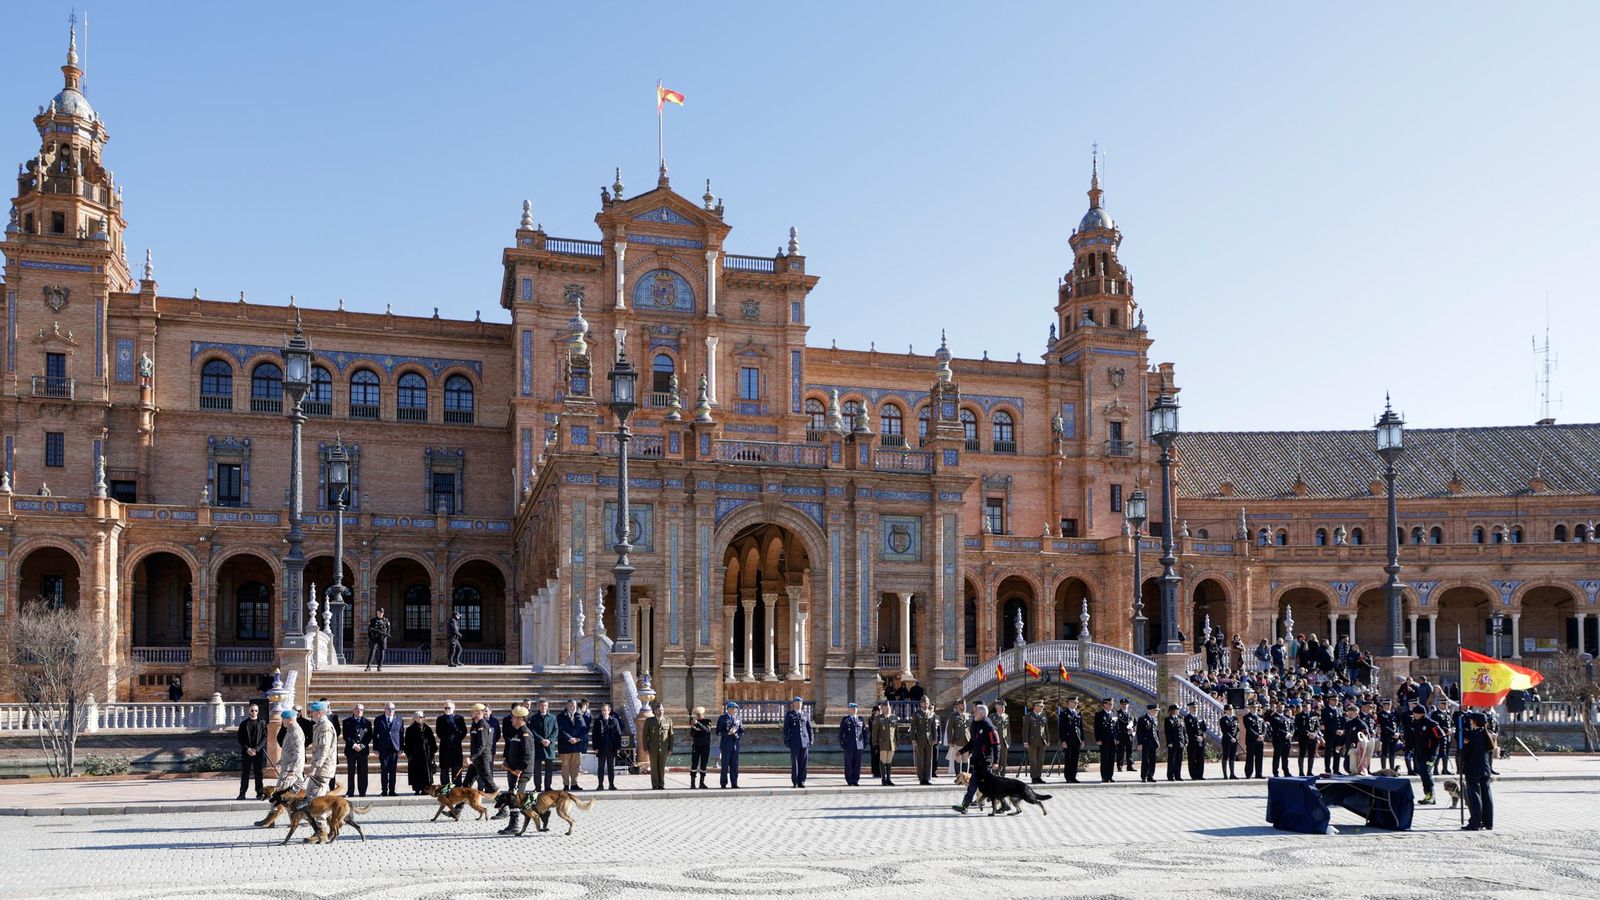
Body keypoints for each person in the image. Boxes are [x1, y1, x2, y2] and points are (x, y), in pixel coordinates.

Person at [294, 700, 339, 842]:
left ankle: (322, 833)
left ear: (319, 712)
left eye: (312, 711)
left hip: (322, 770)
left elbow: (324, 750)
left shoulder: (325, 726)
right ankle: (326, 828)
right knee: (315, 799)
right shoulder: (318, 725)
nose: (310, 713)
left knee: (315, 802)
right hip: (319, 769)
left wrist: (315, 767)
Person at [951, 703, 1001, 814]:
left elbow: (996, 744)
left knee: (979, 784)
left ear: (982, 714)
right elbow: (972, 742)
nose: (974, 713)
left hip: (985, 760)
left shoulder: (989, 726)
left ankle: (965, 806)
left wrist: (996, 761)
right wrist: (961, 751)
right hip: (978, 760)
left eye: (976, 712)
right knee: (977, 784)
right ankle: (965, 806)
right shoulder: (975, 724)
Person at [499, 706, 536, 837]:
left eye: (513, 717)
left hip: (521, 772)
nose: (511, 720)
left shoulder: (525, 733)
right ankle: (513, 824)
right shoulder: (517, 732)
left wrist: (519, 769)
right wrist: (507, 761)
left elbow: (527, 755)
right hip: (513, 770)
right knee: (513, 796)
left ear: (520, 719)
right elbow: (514, 751)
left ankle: (515, 825)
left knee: (515, 798)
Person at [1460, 711, 1494, 830]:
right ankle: (1488, 822)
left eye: (1471, 720)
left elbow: (1464, 753)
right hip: (1485, 769)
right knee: (1486, 795)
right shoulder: (1487, 735)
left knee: (1474, 795)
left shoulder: (1471, 736)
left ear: (1474, 722)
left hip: (1473, 768)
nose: (1470, 722)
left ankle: (1475, 822)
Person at [1406, 703, 1443, 805]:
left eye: (1415, 713)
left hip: (1430, 754)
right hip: (1420, 753)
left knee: (1426, 772)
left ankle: (1430, 796)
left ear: (1421, 713)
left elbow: (1441, 736)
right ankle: (1428, 795)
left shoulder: (1431, 723)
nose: (1414, 715)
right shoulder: (1416, 723)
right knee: (1422, 773)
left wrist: (1439, 751)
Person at [235, 703, 267, 800]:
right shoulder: (244, 723)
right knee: (245, 773)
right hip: (246, 752)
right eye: (252, 710)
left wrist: (256, 749)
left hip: (258, 752)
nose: (254, 712)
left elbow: (264, 737)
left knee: (258, 773)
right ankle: (242, 793)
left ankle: (259, 793)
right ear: (249, 711)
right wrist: (247, 749)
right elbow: (240, 738)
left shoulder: (262, 723)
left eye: (256, 710)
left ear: (258, 711)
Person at [372, 702, 404, 797]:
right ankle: (384, 790)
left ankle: (392, 790)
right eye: (389, 709)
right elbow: (375, 735)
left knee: (393, 770)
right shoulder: (378, 719)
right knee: (384, 770)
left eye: (393, 709)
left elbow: (401, 734)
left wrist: (401, 748)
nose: (391, 711)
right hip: (383, 749)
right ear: (384, 709)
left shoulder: (399, 719)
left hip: (395, 748)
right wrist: (375, 748)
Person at [341, 703, 373, 797]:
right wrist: (354, 745)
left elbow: (369, 736)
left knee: (363, 772)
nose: (359, 711)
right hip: (351, 750)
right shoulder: (346, 721)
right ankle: (350, 792)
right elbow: (346, 735)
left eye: (361, 710)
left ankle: (362, 792)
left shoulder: (367, 722)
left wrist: (362, 745)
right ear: (354, 710)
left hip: (363, 751)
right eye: (357, 709)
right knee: (351, 772)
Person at [274, 707, 306, 797]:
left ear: (290, 720)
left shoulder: (295, 732)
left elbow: (298, 752)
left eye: (283, 719)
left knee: (280, 791)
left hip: (291, 768)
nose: (282, 721)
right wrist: (281, 760)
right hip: (289, 766)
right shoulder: (290, 730)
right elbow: (289, 749)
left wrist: (293, 770)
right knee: (300, 792)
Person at [783, 696, 814, 788]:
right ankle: (795, 781)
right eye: (797, 703)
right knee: (795, 763)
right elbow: (786, 729)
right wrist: (786, 740)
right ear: (794, 704)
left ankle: (802, 781)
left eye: (800, 703)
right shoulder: (790, 714)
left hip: (805, 742)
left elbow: (809, 728)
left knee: (803, 763)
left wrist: (811, 739)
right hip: (794, 741)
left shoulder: (805, 714)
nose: (799, 704)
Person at [528, 699, 559, 792]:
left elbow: (556, 730)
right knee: (537, 769)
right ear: (539, 706)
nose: (543, 707)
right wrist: (541, 740)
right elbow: (532, 731)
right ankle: (537, 787)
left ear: (547, 706)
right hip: (538, 746)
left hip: (549, 746)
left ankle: (548, 787)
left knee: (549, 769)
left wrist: (550, 740)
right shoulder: (534, 718)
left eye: (545, 705)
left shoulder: (553, 718)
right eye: (541, 705)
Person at [591, 702, 623, 790]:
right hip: (601, 747)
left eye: (605, 710)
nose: (604, 712)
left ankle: (611, 784)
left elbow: (618, 735)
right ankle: (600, 785)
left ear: (609, 711)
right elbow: (594, 735)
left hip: (611, 747)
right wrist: (595, 747)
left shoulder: (614, 721)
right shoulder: (598, 721)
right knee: (600, 767)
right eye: (602, 710)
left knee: (611, 767)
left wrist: (618, 747)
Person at [403, 710, 437, 794]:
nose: (422, 718)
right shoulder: (410, 729)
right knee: (416, 773)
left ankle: (425, 790)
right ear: (415, 718)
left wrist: (432, 752)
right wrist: (409, 755)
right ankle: (417, 789)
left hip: (426, 755)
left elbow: (432, 741)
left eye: (423, 717)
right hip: (415, 756)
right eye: (420, 717)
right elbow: (407, 743)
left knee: (426, 773)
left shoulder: (427, 728)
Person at [557, 699, 588, 790]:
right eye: (570, 705)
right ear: (566, 706)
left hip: (576, 745)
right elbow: (560, 729)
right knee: (565, 766)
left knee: (575, 766)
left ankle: (574, 784)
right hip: (565, 744)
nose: (572, 707)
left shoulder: (579, 715)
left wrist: (578, 739)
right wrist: (569, 738)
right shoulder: (560, 716)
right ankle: (566, 785)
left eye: (573, 705)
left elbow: (584, 728)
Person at [643, 700, 674, 790]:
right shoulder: (649, 721)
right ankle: (655, 784)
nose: (661, 712)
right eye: (659, 710)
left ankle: (661, 784)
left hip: (664, 748)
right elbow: (644, 736)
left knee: (662, 766)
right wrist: (646, 748)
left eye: (662, 710)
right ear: (654, 711)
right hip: (653, 748)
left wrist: (670, 748)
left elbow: (671, 736)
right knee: (654, 767)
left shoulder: (668, 720)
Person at [436, 701, 466, 787]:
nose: (447, 710)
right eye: (445, 708)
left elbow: (464, 731)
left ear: (453, 708)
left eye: (449, 708)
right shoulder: (440, 719)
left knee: (456, 769)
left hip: (456, 747)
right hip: (444, 748)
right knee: (444, 770)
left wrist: (457, 739)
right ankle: (445, 789)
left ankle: (456, 788)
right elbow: (439, 733)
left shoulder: (459, 718)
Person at [715, 701, 743, 788]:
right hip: (726, 744)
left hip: (735, 745)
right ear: (728, 709)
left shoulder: (738, 719)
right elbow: (718, 731)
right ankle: (723, 783)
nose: (734, 710)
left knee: (735, 766)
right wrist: (727, 734)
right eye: (733, 708)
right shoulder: (722, 718)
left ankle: (734, 783)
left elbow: (742, 731)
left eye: (735, 709)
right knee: (725, 765)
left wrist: (738, 736)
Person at [468, 703, 494, 792]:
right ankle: (462, 801)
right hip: (476, 759)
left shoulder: (482, 724)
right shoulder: (475, 724)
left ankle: (501, 799)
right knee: (467, 782)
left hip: (482, 759)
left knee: (489, 783)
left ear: (478, 713)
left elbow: (482, 745)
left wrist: (472, 758)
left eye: (472, 712)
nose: (471, 713)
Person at [872, 700, 900, 785]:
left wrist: (897, 742)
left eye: (888, 707)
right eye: (885, 708)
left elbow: (896, 732)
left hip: (891, 744)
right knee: (883, 761)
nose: (887, 709)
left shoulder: (894, 718)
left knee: (889, 761)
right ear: (882, 709)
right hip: (882, 744)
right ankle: (883, 779)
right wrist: (875, 744)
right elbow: (874, 733)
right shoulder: (878, 718)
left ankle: (888, 779)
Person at [839, 702, 867, 786]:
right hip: (849, 745)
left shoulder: (860, 719)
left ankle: (855, 780)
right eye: (853, 708)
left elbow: (864, 732)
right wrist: (842, 743)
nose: (854, 710)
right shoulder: (845, 720)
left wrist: (865, 742)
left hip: (859, 745)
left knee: (857, 763)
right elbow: (841, 733)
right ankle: (849, 780)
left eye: (856, 708)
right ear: (849, 710)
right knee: (848, 763)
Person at [1057, 698, 1083, 783]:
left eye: (1077, 702)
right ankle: (1068, 777)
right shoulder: (1064, 713)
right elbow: (1061, 728)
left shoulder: (1078, 712)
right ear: (1069, 703)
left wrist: (1082, 739)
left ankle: (1073, 776)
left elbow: (1080, 727)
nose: (1076, 704)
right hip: (1068, 739)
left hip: (1077, 739)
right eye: (1074, 702)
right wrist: (1063, 740)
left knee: (1075, 759)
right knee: (1068, 759)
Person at [945, 700, 972, 780]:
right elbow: (949, 729)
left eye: (964, 705)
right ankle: (958, 777)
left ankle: (964, 778)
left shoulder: (969, 716)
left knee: (965, 760)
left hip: (967, 741)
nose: (964, 706)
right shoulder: (953, 716)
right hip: (957, 741)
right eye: (962, 705)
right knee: (957, 759)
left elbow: (971, 729)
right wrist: (950, 741)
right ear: (958, 706)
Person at [1093, 697, 1118, 783]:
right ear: (1105, 704)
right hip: (1104, 740)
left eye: (1112, 704)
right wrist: (1098, 739)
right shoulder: (1099, 714)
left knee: (1111, 759)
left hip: (1113, 740)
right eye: (1110, 704)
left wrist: (1117, 738)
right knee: (1105, 759)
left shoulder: (1114, 714)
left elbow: (1116, 728)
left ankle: (1110, 776)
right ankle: (1104, 776)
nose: (1111, 705)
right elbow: (1097, 728)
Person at [1024, 700, 1049, 784]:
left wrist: (1048, 740)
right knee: (1033, 760)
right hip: (1032, 741)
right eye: (1041, 706)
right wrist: (1025, 741)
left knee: (1040, 760)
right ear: (1035, 706)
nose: (1042, 708)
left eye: (1043, 706)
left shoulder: (1043, 715)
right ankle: (1033, 777)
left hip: (1042, 741)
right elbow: (1025, 730)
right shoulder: (1029, 716)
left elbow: (1046, 729)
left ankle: (1038, 776)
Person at [1293, 699, 1319, 776]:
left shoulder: (1314, 715)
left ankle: (1309, 771)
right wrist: (1308, 734)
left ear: (1310, 707)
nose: (1305, 708)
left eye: (1307, 706)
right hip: (1304, 738)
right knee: (1302, 754)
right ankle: (1301, 772)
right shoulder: (1299, 716)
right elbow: (1299, 727)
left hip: (1313, 738)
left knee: (1311, 755)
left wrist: (1314, 733)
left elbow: (1317, 727)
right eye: (1304, 706)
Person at [688, 706, 713, 789]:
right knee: (694, 764)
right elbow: (691, 735)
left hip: (705, 746)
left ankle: (701, 783)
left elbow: (707, 730)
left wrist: (698, 724)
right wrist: (693, 728)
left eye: (699, 714)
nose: (698, 716)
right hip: (696, 746)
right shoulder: (694, 722)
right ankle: (692, 783)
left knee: (704, 764)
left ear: (703, 714)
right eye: (697, 714)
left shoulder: (708, 721)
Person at [1241, 701, 1266, 779]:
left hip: (1260, 740)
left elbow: (1264, 728)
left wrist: (1262, 735)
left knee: (1259, 757)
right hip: (1251, 740)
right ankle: (1248, 773)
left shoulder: (1260, 717)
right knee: (1250, 757)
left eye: (1256, 707)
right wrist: (1257, 736)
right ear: (1249, 708)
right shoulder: (1246, 717)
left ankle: (1259, 773)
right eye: (1253, 707)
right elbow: (1249, 729)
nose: (1255, 708)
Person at [1269, 700, 1294, 776]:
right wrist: (1286, 733)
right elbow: (1276, 729)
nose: (1280, 708)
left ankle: (1286, 771)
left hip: (1287, 739)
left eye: (1282, 706)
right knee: (1277, 756)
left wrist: (1291, 733)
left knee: (1285, 757)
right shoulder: (1273, 717)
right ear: (1276, 707)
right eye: (1278, 707)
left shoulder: (1287, 717)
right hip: (1278, 740)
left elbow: (1292, 727)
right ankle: (1275, 772)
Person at [1135, 703, 1159, 782]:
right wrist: (1139, 743)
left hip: (1153, 742)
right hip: (1145, 743)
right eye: (1155, 710)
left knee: (1152, 760)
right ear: (1149, 710)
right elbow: (1139, 732)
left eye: (1157, 710)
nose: (1156, 712)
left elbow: (1156, 731)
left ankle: (1150, 775)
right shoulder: (1142, 718)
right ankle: (1144, 776)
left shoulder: (1154, 719)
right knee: (1146, 760)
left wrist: (1157, 741)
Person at [1183, 701, 1206, 780]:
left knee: (1200, 759)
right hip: (1192, 741)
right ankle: (1193, 775)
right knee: (1192, 759)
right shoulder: (1187, 718)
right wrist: (1196, 737)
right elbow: (1188, 730)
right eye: (1193, 707)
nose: (1195, 709)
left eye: (1196, 707)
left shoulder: (1200, 717)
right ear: (1189, 708)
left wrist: (1202, 737)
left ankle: (1200, 775)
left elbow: (1204, 729)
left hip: (1201, 741)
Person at [1163, 704, 1186, 781]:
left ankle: (1177, 775)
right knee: (1172, 759)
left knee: (1179, 760)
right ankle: (1170, 776)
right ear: (1172, 710)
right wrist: (1169, 742)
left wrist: (1185, 740)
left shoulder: (1180, 719)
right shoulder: (1168, 720)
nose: (1178, 711)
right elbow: (1167, 732)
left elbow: (1184, 731)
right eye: (1177, 709)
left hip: (1180, 742)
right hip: (1173, 742)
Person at [990, 699, 1012, 776]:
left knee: (1003, 760)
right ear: (997, 707)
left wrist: (1009, 740)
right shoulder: (992, 717)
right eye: (1001, 707)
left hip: (1004, 741)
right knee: (996, 759)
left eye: (1004, 707)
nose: (1003, 709)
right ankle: (995, 775)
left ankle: (1003, 775)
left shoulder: (1006, 716)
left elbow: (1008, 729)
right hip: (995, 741)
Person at [1217, 703, 1239, 779]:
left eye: (1232, 709)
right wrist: (1231, 738)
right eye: (1229, 709)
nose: (1231, 710)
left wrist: (1235, 738)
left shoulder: (1235, 718)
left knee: (1232, 757)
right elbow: (1224, 731)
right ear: (1226, 711)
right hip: (1227, 740)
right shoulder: (1223, 719)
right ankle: (1225, 774)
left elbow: (1237, 730)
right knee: (1225, 756)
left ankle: (1232, 774)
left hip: (1234, 741)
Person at [1115, 699, 1135, 772]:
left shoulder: (1131, 714)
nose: (1125, 705)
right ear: (1120, 705)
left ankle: (1130, 766)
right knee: (1120, 751)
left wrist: (1133, 729)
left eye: (1126, 704)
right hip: (1121, 735)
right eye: (1123, 704)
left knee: (1130, 751)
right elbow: (1116, 726)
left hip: (1129, 736)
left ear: (1128, 705)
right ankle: (1120, 766)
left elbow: (1135, 724)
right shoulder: (1117, 714)